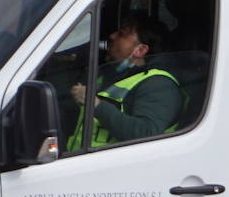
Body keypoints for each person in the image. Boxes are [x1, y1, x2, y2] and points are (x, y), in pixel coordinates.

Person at [68, 11, 183, 150]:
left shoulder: (159, 85)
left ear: (140, 50)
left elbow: (145, 133)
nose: (112, 36)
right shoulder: (108, 74)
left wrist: (95, 104)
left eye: (122, 34)